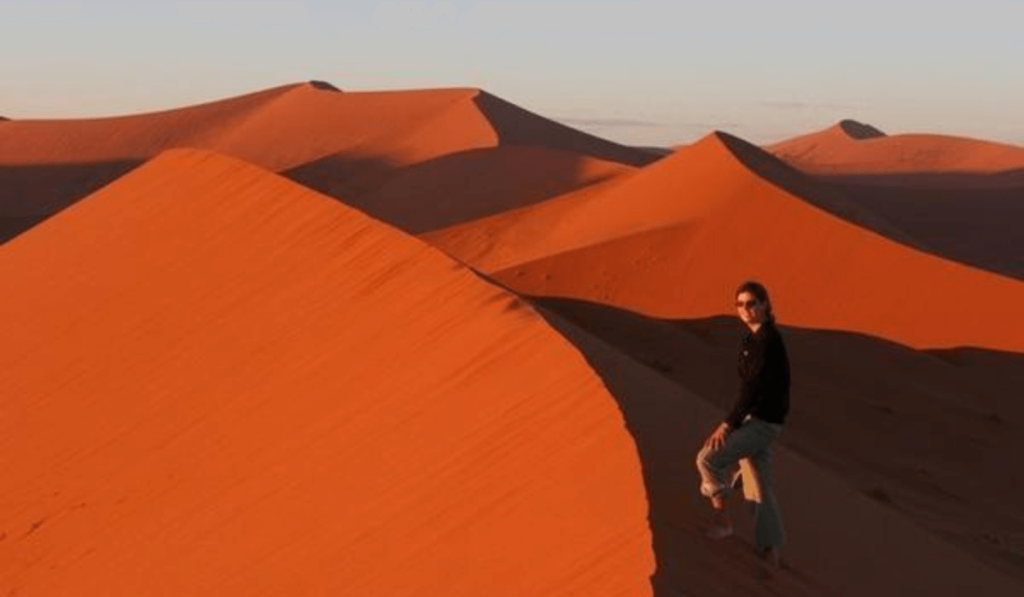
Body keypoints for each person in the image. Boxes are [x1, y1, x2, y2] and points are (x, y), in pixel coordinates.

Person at [695, 280, 790, 568]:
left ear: (765, 305)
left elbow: (753, 388)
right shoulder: (752, 339)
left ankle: (723, 522)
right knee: (758, 485)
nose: (745, 309)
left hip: (763, 422)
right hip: (755, 419)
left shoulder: (768, 341)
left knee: (708, 459)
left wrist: (727, 425)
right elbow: (747, 385)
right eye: (740, 304)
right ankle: (771, 550)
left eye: (751, 303)